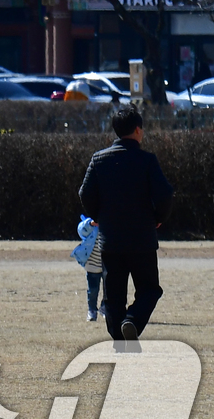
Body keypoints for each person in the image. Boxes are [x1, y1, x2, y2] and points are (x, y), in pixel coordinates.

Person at [79, 105, 174, 341]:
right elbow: (165, 194)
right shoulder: (147, 160)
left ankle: (119, 340)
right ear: (138, 130)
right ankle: (132, 320)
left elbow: (85, 193)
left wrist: (98, 216)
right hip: (142, 239)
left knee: (113, 296)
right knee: (150, 289)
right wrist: (158, 218)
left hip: (111, 240)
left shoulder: (99, 160)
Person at [72, 215, 104, 322]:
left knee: (110, 289)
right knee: (93, 290)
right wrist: (90, 223)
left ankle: (105, 307)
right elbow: (81, 230)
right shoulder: (91, 225)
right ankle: (92, 310)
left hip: (107, 264)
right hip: (92, 264)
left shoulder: (111, 224)